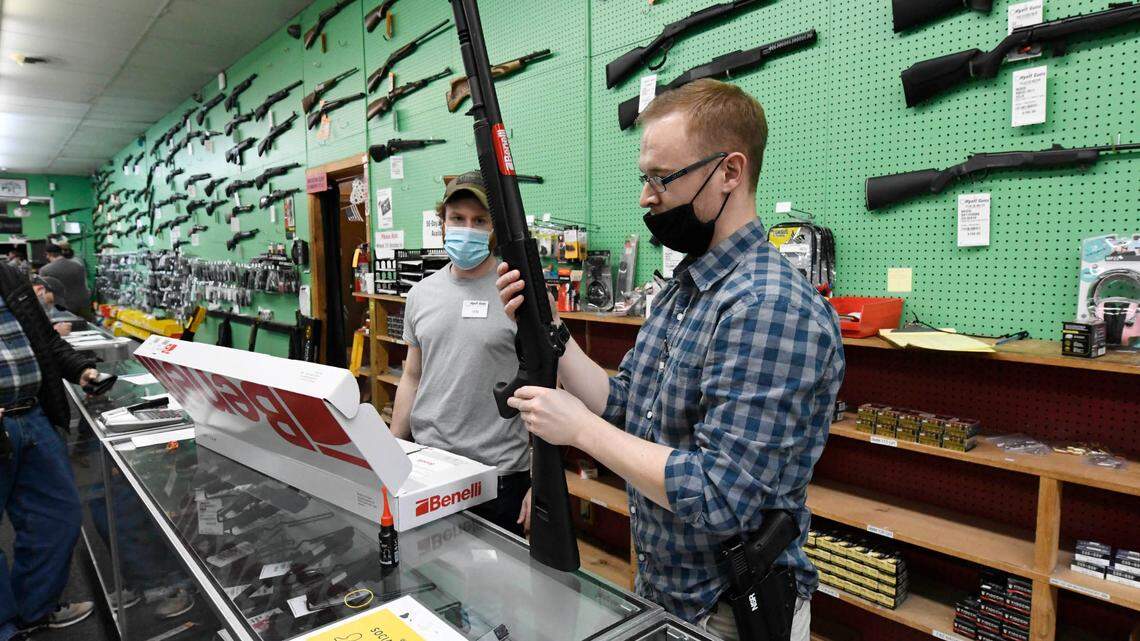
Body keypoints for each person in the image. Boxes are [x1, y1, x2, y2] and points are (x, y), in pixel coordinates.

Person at [496, 79, 845, 640]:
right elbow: (628, 403)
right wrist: (550, 331)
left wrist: (578, 430)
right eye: (645, 177)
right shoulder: (685, 286)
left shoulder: (769, 306)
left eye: (663, 177)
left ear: (730, 172)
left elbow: (720, 495)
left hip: (732, 613)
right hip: (665, 595)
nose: (646, 197)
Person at [390, 172, 532, 537]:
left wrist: (543, 480)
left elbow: (549, 387)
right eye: (458, 219)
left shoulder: (518, 292)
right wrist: (391, 451)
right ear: (443, 223)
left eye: (479, 220)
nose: (467, 229)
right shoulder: (421, 294)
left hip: (499, 474)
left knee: (498, 585)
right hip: (431, 467)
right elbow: (412, 375)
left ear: (493, 228)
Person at [0, 260, 103, 641]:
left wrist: (82, 370)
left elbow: (46, 341)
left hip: (32, 413)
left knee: (57, 517)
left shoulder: (7, 276)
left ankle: (34, 609)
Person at [38, 243, 92, 321]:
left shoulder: (45, 270)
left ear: (48, 254)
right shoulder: (78, 266)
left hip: (63, 310)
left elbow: (45, 293)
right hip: (83, 306)